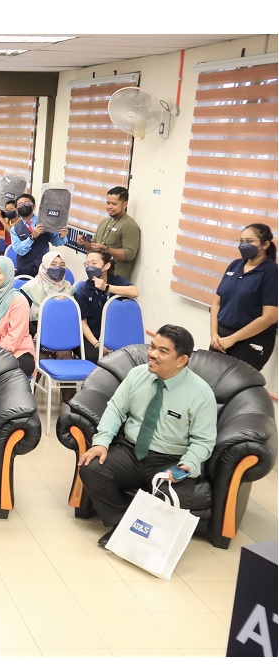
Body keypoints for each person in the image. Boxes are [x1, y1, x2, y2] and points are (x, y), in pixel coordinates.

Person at [78, 325, 218, 548]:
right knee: (91, 468)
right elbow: (115, 410)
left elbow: (204, 441)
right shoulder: (137, 375)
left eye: (163, 351)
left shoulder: (200, 394)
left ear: (181, 360)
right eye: (152, 347)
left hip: (172, 459)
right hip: (131, 451)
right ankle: (121, 525)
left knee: (176, 498)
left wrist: (186, 466)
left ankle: (146, 539)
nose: (152, 354)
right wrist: (101, 442)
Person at [209, 223, 278, 370]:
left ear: (265, 245)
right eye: (241, 241)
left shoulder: (271, 272)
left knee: (235, 383)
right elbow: (216, 303)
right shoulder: (235, 265)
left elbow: (269, 317)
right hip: (221, 338)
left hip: (251, 341)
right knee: (209, 378)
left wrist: (232, 339)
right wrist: (214, 334)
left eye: (249, 241)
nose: (243, 245)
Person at [75, 250, 140, 363]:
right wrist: (97, 344)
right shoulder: (83, 290)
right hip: (91, 337)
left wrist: (107, 287)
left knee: (128, 360)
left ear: (106, 266)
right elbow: (83, 323)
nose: (90, 267)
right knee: (97, 358)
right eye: (87, 264)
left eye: (94, 263)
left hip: (115, 334)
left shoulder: (116, 280)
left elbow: (134, 292)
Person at [78, 186, 141, 282]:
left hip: (116, 279)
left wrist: (107, 249)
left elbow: (129, 254)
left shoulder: (129, 226)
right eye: (108, 203)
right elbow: (93, 248)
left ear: (125, 204)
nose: (109, 207)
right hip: (97, 277)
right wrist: (85, 243)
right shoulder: (104, 222)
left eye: (114, 204)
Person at [9, 193, 67, 278]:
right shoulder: (14, 229)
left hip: (43, 267)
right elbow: (20, 250)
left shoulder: (45, 222)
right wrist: (32, 237)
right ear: (17, 209)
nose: (23, 206)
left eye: (27, 203)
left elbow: (56, 241)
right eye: (20, 205)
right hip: (24, 269)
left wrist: (61, 236)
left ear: (34, 206)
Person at [19, 251, 74, 326]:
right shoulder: (30, 288)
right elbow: (22, 318)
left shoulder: (68, 287)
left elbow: (73, 314)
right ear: (44, 266)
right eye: (53, 264)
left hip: (64, 326)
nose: (58, 267)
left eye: (62, 265)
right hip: (35, 329)